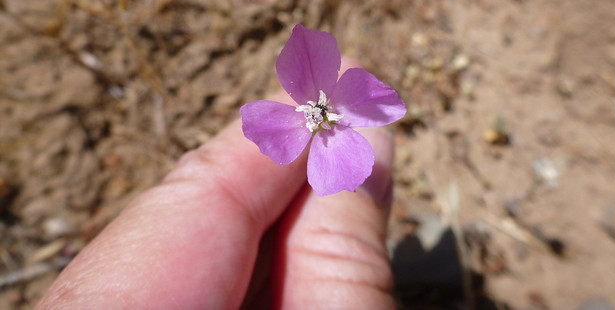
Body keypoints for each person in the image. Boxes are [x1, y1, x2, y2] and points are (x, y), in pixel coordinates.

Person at [36, 59, 395, 309]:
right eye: (313, 113)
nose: (315, 115)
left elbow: (380, 100)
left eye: (318, 113)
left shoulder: (327, 113)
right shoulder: (295, 119)